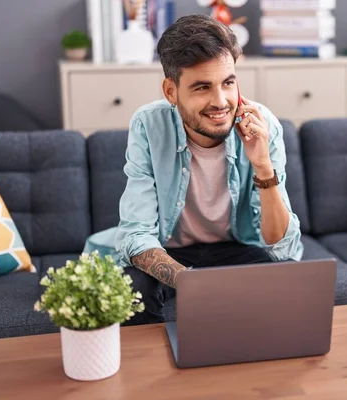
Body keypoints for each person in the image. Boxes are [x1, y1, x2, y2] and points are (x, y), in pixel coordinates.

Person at [115, 14, 303, 324]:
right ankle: (151, 371)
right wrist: (193, 283)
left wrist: (262, 165)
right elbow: (136, 234)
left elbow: (281, 246)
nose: (220, 102)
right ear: (171, 91)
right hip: (171, 250)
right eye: (202, 87)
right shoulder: (148, 124)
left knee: (281, 283)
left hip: (238, 248)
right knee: (132, 289)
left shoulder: (262, 124)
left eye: (228, 83)